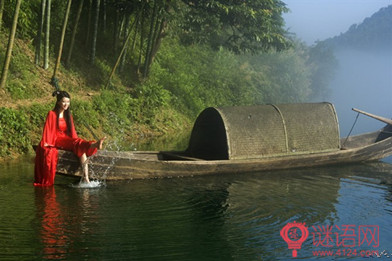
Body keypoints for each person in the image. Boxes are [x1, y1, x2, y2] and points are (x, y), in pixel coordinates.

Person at [34, 91, 106, 186]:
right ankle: (93, 145)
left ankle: (86, 178)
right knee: (77, 143)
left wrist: (75, 141)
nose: (66, 104)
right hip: (56, 139)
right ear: (58, 102)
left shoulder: (68, 115)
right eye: (64, 102)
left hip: (66, 139)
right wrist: (47, 142)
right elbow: (48, 129)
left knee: (79, 147)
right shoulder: (52, 114)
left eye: (68, 102)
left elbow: (72, 132)